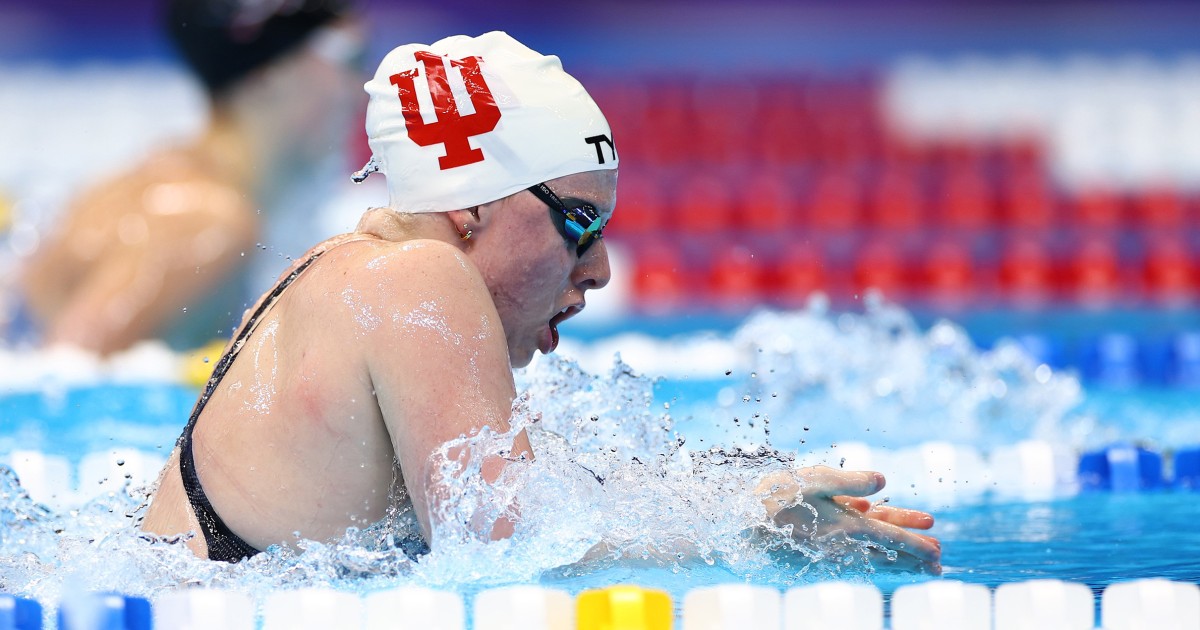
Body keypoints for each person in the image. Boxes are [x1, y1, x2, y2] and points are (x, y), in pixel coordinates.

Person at [141, 31, 941, 572]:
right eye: (578, 223)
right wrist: (748, 523)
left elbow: (529, 500)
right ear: (472, 206)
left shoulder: (335, 271)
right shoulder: (418, 278)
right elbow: (501, 543)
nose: (597, 270)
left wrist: (722, 489)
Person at [16, 0, 365, 354]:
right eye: (351, 61)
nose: (361, 89)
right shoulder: (206, 222)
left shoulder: (187, 182)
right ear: (269, 72)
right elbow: (62, 372)